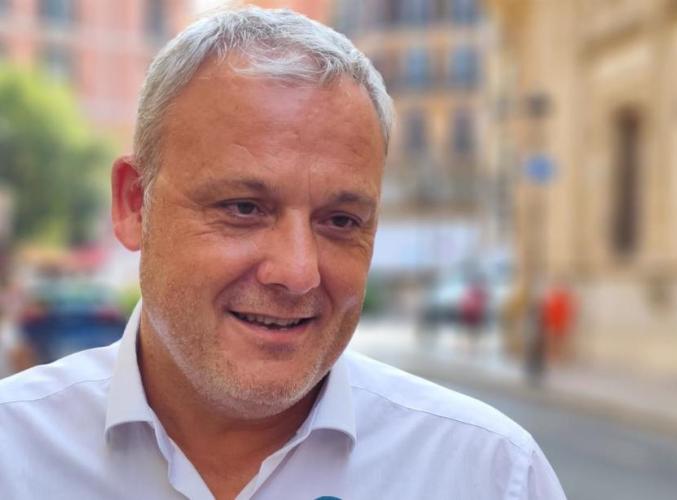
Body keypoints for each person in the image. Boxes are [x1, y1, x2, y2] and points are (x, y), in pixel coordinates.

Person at [0, 6, 566, 499]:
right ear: (134, 205)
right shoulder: (14, 451)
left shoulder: (489, 475)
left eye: (341, 221)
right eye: (244, 208)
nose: (298, 272)